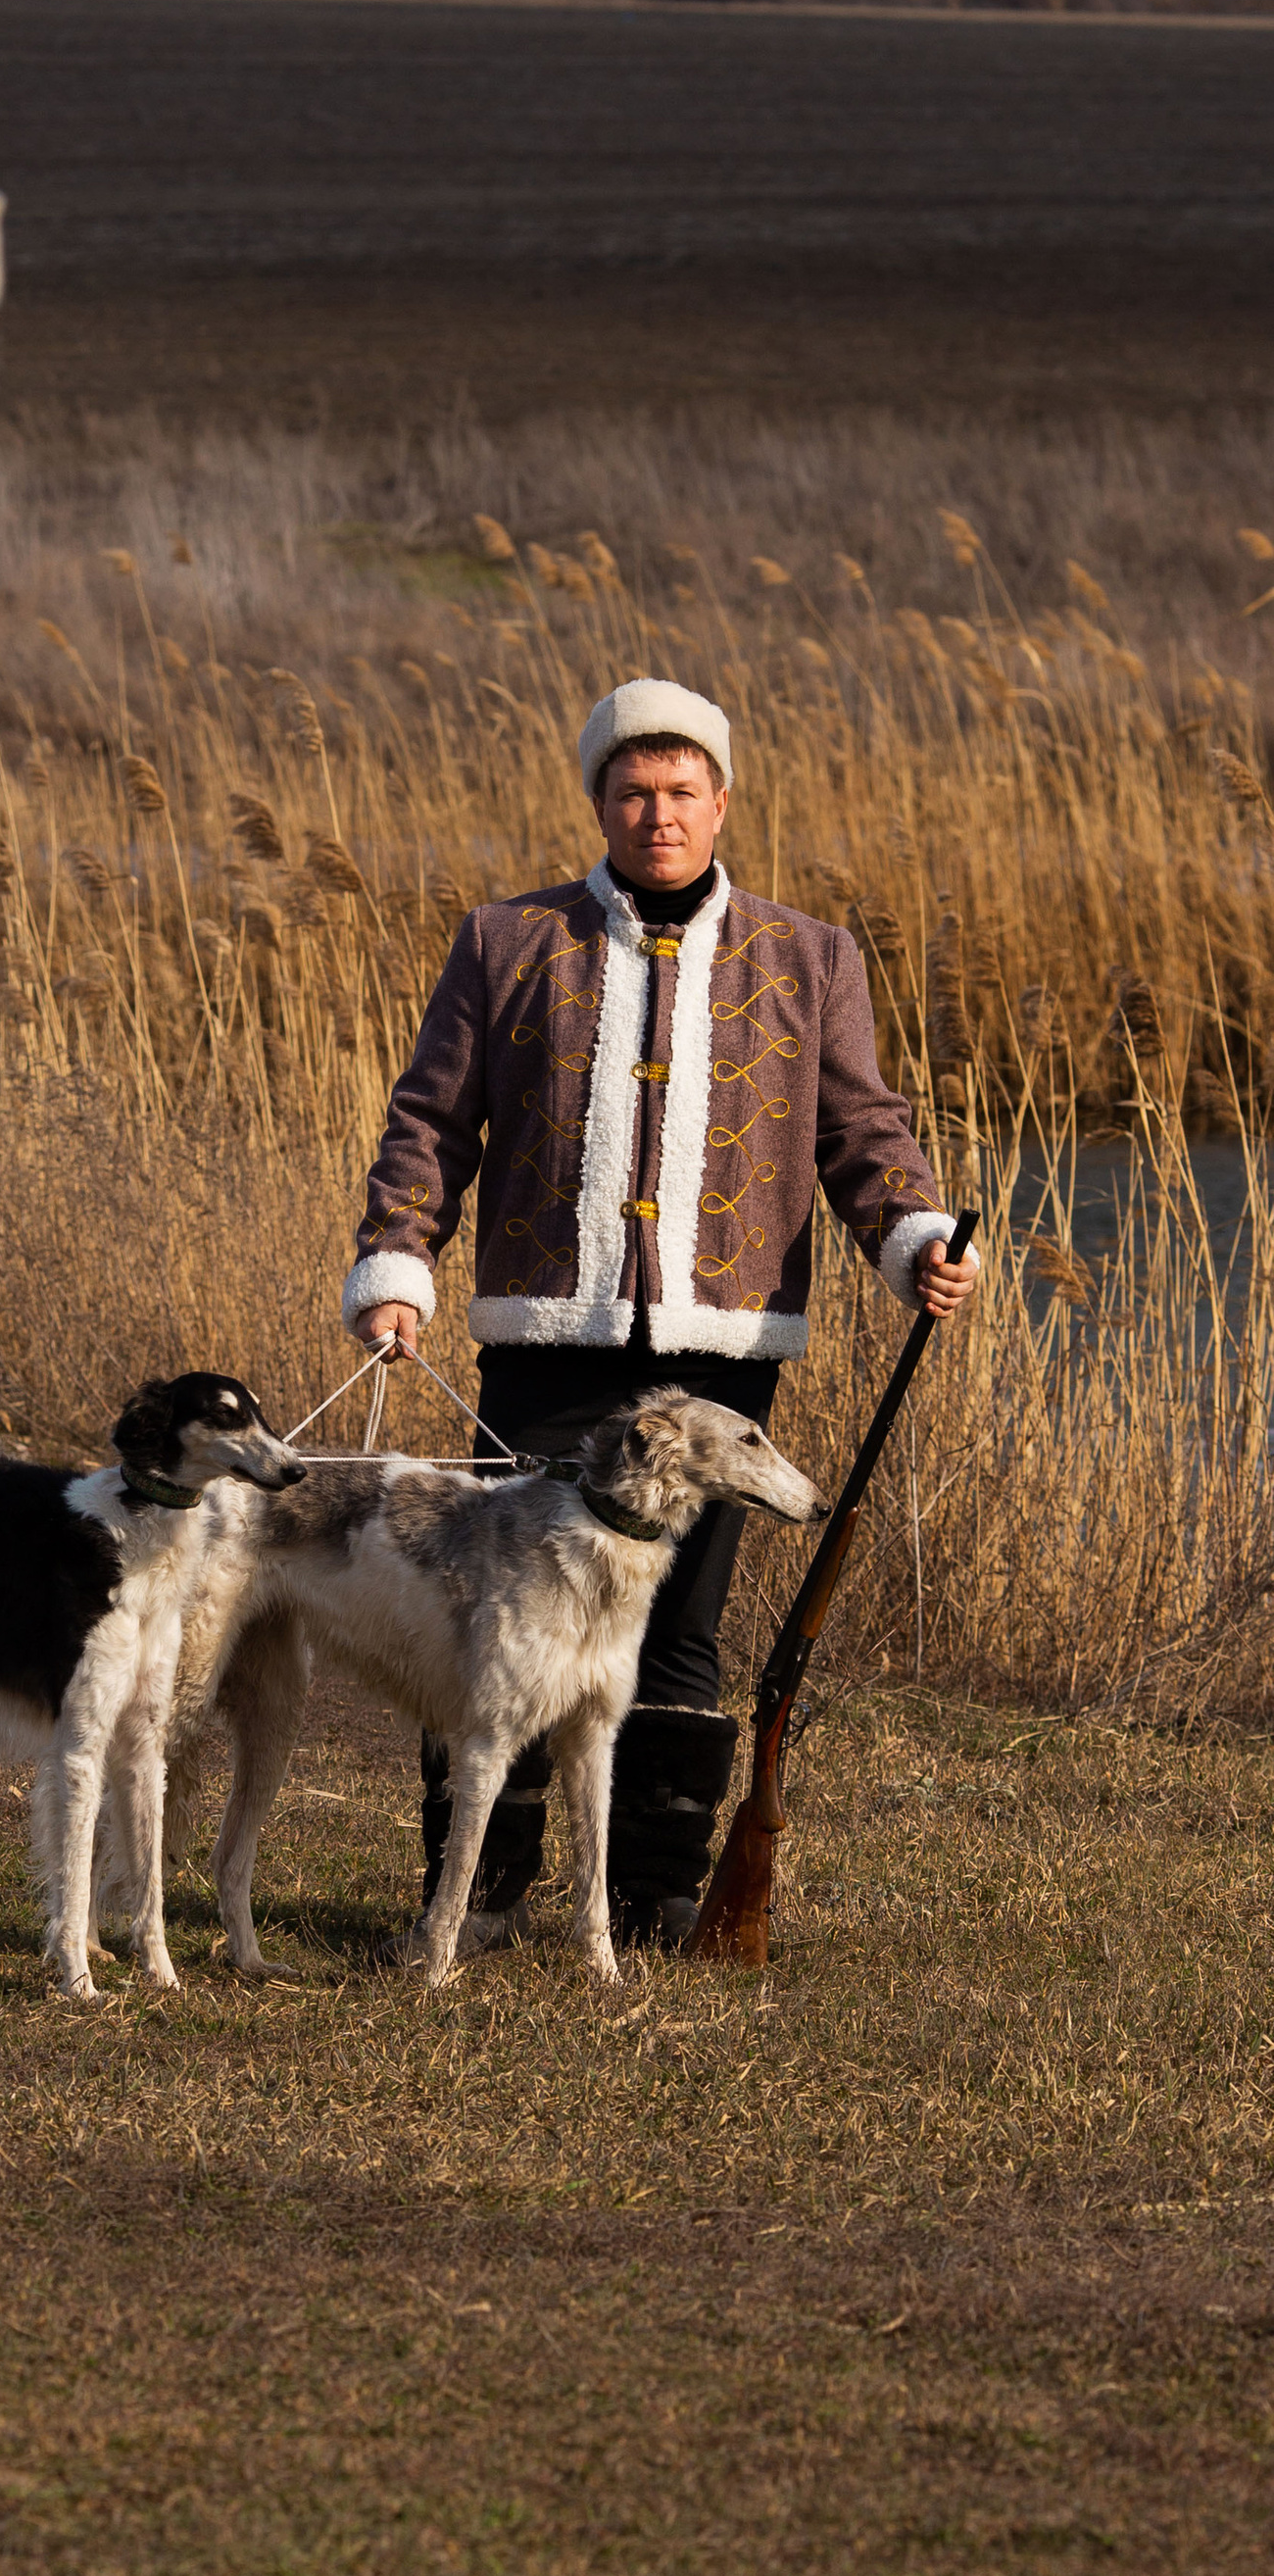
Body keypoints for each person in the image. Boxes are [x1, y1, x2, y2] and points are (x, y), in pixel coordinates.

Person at [341, 676, 977, 1947]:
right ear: (600, 801)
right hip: (542, 1342)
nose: (659, 812)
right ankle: (481, 1892)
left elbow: (862, 1133)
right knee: (499, 1617)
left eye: (683, 790)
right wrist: (398, 1263)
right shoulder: (507, 941)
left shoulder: (808, 956)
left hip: (718, 1357)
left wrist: (913, 1238)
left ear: (722, 801)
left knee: (678, 1625)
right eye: (634, 789)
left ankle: (653, 1894)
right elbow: (429, 1122)